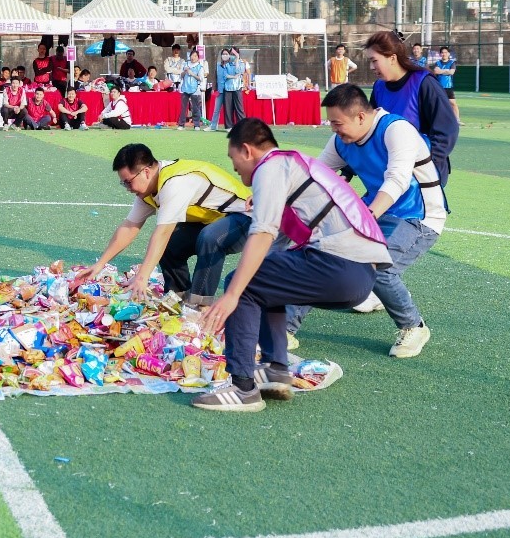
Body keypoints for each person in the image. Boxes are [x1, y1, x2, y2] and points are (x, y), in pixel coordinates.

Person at [192, 118, 392, 411]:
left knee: (243, 284)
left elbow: (262, 232)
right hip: (360, 273)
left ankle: (243, 388)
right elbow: (275, 251)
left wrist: (232, 295)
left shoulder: (269, 168)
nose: (233, 166)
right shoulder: (293, 165)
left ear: (246, 151)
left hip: (340, 264)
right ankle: (275, 368)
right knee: (264, 282)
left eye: (232, 158)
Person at [287, 84, 445, 357]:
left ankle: (414, 327)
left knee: (379, 267)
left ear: (360, 117)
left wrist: (365, 221)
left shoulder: (397, 130)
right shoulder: (341, 140)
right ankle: (284, 328)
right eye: (331, 124)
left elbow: (397, 181)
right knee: (321, 253)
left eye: (337, 123)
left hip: (419, 216)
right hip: (375, 212)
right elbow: (315, 175)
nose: (334, 130)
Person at [86, 143, 252, 306]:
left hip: (246, 217)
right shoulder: (149, 188)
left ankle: (200, 306)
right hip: (214, 220)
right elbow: (130, 227)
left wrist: (142, 277)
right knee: (172, 243)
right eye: (123, 183)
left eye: (128, 182)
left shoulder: (175, 183)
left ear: (146, 172)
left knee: (210, 237)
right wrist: (100, 264)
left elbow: (162, 233)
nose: (127, 188)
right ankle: (176, 299)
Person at [364, 30, 459, 187]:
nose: (372, 67)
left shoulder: (424, 83)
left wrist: (426, 164)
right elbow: (369, 128)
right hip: (393, 172)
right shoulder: (379, 87)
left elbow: (447, 130)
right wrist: (347, 170)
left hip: (423, 176)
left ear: (392, 58)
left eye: (374, 61)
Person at [216, 48, 246, 130]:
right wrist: (233, 76)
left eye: (234, 54)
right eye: (231, 54)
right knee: (228, 108)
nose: (233, 56)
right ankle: (229, 126)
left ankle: (242, 126)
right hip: (228, 88)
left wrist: (237, 60)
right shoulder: (227, 64)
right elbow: (225, 75)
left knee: (239, 108)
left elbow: (238, 71)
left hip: (237, 87)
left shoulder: (241, 63)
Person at [430, 46, 460, 123]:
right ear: (440, 54)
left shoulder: (452, 62)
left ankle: (457, 120)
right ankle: (437, 120)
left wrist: (442, 71)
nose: (444, 54)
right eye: (442, 52)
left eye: (445, 52)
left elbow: (451, 72)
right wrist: (447, 71)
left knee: (453, 103)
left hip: (448, 86)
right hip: (439, 86)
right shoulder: (437, 63)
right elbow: (436, 72)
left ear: (448, 53)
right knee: (438, 104)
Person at [180, 49, 206, 129]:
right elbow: (181, 75)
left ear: (198, 58)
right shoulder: (185, 64)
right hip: (185, 88)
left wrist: (192, 74)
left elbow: (201, 78)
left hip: (195, 89)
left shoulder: (199, 67)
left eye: (195, 56)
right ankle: (181, 124)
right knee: (183, 107)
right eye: (192, 55)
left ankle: (196, 124)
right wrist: (185, 71)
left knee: (195, 107)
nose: (193, 57)